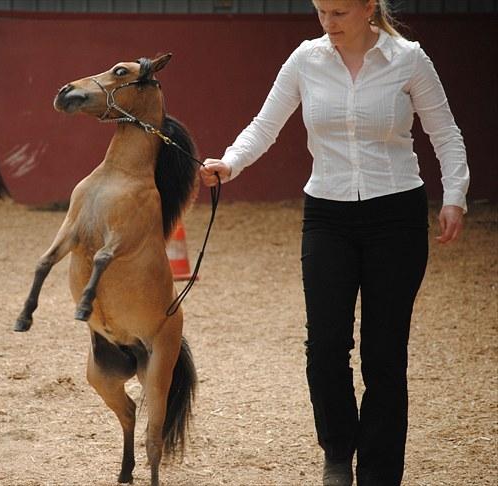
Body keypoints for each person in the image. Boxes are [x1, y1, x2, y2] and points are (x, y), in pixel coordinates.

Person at [199, 1, 469, 485]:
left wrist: (455, 197)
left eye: (339, 12)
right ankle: (339, 452)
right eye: (322, 11)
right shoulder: (305, 59)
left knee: (384, 354)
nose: (328, 23)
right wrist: (230, 163)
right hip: (327, 214)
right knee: (324, 348)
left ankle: (380, 475)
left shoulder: (409, 59)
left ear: (369, 8)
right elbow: (265, 125)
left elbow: (445, 133)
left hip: (397, 217)